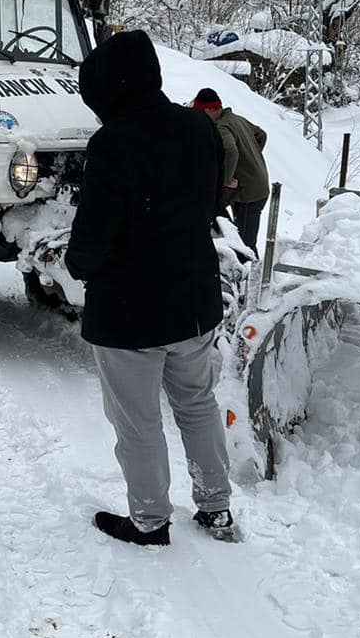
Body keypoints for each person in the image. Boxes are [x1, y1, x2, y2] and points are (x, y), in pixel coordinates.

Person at [67, 32, 235, 546]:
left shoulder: (112, 143)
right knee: (197, 403)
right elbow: (206, 207)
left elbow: (96, 232)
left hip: (129, 313)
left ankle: (149, 520)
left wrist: (79, 265)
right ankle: (215, 507)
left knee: (137, 420)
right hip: (193, 303)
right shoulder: (197, 127)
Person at [192, 88, 270, 254]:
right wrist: (250, 160)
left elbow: (230, 151)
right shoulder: (236, 119)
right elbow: (261, 135)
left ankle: (251, 274)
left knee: (245, 244)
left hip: (250, 192)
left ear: (210, 110)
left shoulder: (222, 127)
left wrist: (226, 180)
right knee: (237, 234)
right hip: (255, 185)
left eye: (201, 112)